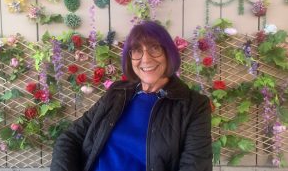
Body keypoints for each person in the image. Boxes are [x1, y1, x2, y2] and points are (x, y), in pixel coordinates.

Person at [51, 21, 212, 171]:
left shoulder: (194, 106)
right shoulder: (117, 92)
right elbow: (70, 137)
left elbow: (195, 165)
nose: (146, 59)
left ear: (168, 53)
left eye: (154, 48)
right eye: (137, 50)